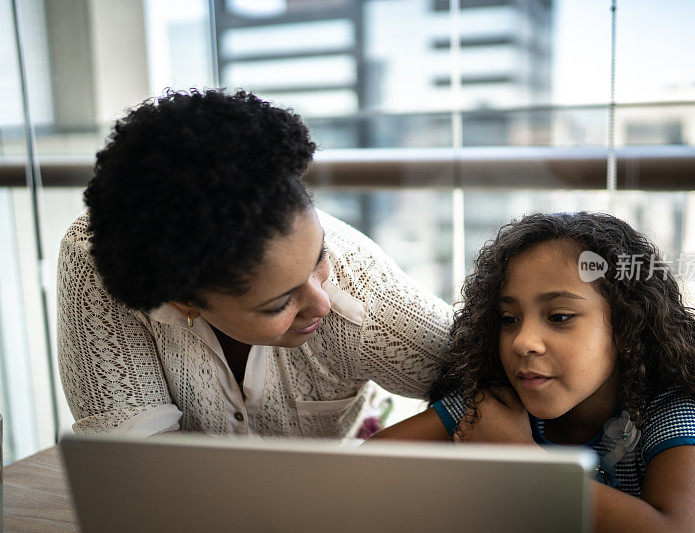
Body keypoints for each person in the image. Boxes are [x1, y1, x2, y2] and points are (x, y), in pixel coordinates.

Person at [56, 89, 452, 438]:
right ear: (183, 301)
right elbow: (133, 457)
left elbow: (495, 384)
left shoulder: (364, 289)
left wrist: (376, 455)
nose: (322, 304)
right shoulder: (98, 264)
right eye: (279, 303)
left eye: (319, 260)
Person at [370, 212, 695, 531]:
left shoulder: (669, 416)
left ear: (627, 327)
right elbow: (364, 475)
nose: (522, 341)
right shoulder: (494, 408)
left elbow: (684, 530)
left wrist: (521, 459)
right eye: (509, 318)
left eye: (561, 316)